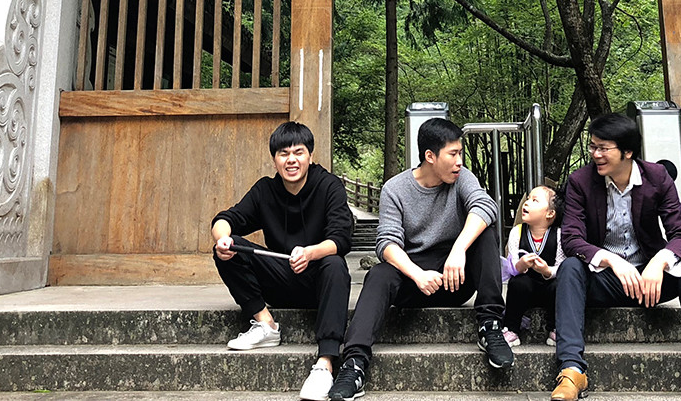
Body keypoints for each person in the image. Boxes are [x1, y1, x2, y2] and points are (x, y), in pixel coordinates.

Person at [552, 113, 681, 401]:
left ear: (627, 151)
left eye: (603, 148)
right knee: (570, 268)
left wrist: (659, 261)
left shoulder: (657, 177)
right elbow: (571, 239)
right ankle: (571, 371)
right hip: (604, 281)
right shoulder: (580, 181)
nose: (595, 154)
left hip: (648, 281)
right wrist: (611, 260)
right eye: (592, 147)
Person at [328, 117, 513, 401]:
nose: (459, 161)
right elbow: (386, 243)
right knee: (378, 273)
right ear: (430, 156)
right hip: (413, 281)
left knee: (484, 234)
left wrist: (458, 249)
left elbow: (485, 205)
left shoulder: (463, 178)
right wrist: (417, 274)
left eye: (461, 153)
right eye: (453, 154)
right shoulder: (395, 189)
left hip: (455, 279)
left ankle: (490, 326)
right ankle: (354, 364)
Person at [212, 120, 354, 401]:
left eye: (298, 152)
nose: (291, 160)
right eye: (283, 154)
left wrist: (310, 253)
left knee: (336, 264)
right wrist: (222, 239)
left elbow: (341, 239)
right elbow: (226, 219)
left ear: (310, 155)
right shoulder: (265, 190)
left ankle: (326, 363)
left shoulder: (329, 186)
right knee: (229, 247)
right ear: (274, 159)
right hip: (280, 278)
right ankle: (266, 325)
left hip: (319, 282)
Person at [500, 184, 564, 346]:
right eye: (527, 199)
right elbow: (511, 266)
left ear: (550, 213)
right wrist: (521, 265)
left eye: (535, 200)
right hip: (526, 287)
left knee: (559, 285)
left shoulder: (558, 235)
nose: (526, 203)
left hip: (548, 286)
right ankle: (511, 329)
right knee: (517, 283)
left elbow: (562, 266)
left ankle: (556, 329)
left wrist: (547, 270)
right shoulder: (517, 232)